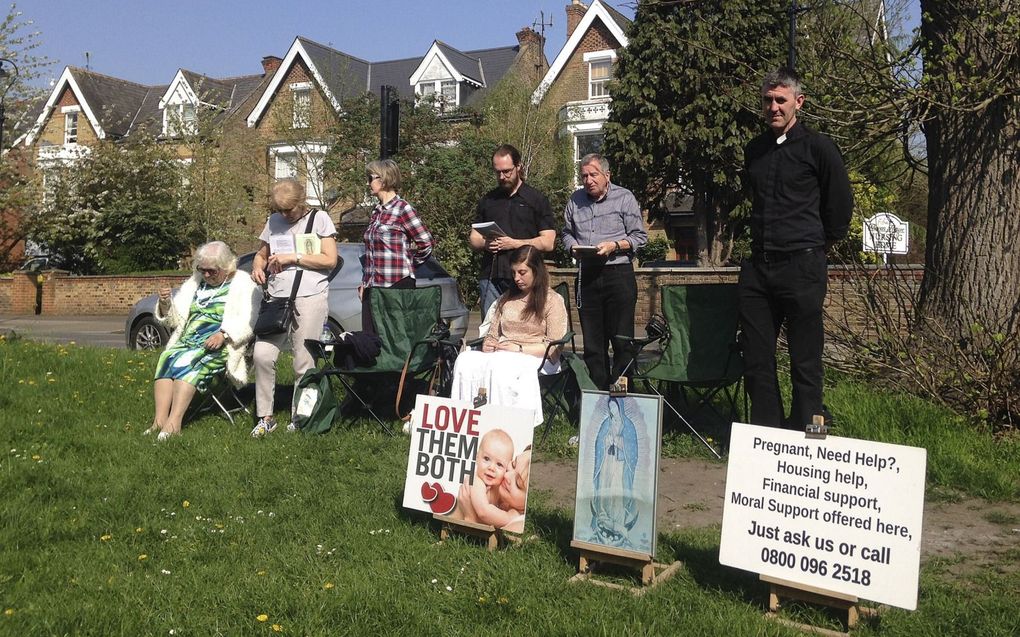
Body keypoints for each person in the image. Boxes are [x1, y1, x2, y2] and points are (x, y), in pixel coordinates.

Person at [739, 68, 853, 429]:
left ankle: (806, 429)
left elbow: (840, 206)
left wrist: (817, 246)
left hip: (802, 266)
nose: (773, 107)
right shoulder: (754, 150)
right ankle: (767, 436)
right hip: (759, 268)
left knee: (805, 358)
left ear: (798, 103)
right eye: (768, 100)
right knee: (757, 357)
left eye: (780, 100)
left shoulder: (818, 148)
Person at [250, 178, 338, 437]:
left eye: (289, 210)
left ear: (301, 203)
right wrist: (257, 266)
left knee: (304, 359)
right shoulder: (273, 221)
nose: (285, 215)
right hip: (277, 298)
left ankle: (300, 416)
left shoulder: (319, 219)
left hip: (310, 295)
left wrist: (294, 257)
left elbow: (330, 259)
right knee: (262, 355)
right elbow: (261, 254)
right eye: (280, 210)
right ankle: (265, 416)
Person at [145, 241, 259, 440]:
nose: (206, 275)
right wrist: (165, 303)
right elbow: (175, 319)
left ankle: (174, 424)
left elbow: (250, 319)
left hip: (221, 344)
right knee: (167, 357)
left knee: (191, 362)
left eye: (211, 271)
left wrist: (224, 335)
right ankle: (159, 421)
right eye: (202, 269)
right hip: (188, 340)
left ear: (227, 267)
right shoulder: (195, 282)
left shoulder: (243, 283)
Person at [450, 246, 568, 425]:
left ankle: (502, 423)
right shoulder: (507, 298)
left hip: (535, 355)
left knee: (501, 366)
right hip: (502, 352)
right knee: (465, 360)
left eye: (522, 272)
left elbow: (554, 347)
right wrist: (488, 344)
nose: (516, 278)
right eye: (513, 273)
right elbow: (492, 333)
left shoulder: (552, 301)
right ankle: (466, 417)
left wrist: (520, 349)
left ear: (537, 270)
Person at [561, 153, 647, 390]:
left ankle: (623, 396)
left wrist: (614, 245)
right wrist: (572, 247)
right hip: (587, 275)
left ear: (607, 175)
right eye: (584, 176)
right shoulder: (575, 200)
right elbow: (566, 232)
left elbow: (639, 237)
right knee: (593, 344)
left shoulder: (624, 197)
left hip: (618, 273)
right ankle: (597, 397)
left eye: (593, 175)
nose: (588, 180)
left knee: (622, 341)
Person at [469, 144, 556, 318]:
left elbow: (548, 242)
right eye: (498, 172)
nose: (502, 176)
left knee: (523, 328)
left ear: (519, 167)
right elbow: (473, 237)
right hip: (491, 277)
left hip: (525, 277)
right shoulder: (488, 200)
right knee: (490, 330)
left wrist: (514, 244)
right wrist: (486, 244)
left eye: (507, 171)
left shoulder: (536, 199)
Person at [361, 159, 434, 334]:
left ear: (383, 179)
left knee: (395, 340)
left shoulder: (403, 209)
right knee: (372, 339)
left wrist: (408, 264)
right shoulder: (376, 212)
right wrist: (365, 283)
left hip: (397, 286)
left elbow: (426, 242)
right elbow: (372, 253)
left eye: (370, 178)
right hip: (373, 288)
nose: (368, 183)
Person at [590, 396, 638, 547]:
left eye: (615, 407)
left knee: (617, 488)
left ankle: (617, 520)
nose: (612, 411)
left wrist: (619, 443)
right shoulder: (606, 423)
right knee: (605, 485)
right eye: (610, 408)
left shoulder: (628, 425)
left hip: (620, 464)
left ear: (620, 408)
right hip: (607, 462)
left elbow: (632, 449)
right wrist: (605, 442)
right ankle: (603, 516)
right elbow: (599, 442)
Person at [453, 428, 514, 523]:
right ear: (476, 457)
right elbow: (483, 512)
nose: (491, 467)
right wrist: (510, 519)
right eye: (486, 458)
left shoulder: (498, 486)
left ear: (507, 469)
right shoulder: (475, 481)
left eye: (499, 464)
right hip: (457, 521)